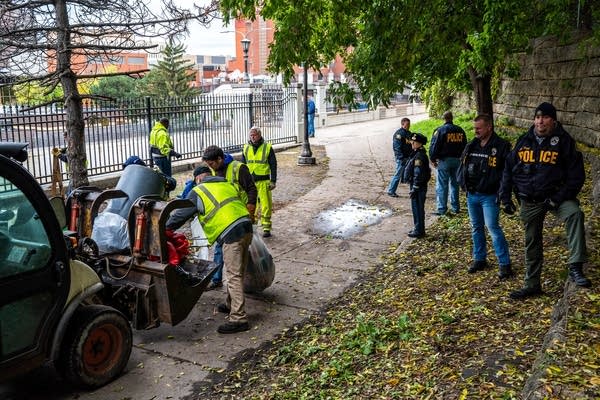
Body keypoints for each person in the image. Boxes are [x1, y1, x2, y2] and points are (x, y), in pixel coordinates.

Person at [499, 102, 592, 299]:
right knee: (531, 241)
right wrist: (505, 197)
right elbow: (508, 168)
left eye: (545, 117)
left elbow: (576, 177)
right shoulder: (524, 141)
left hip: (557, 196)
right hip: (529, 199)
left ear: (553, 120)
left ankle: (576, 267)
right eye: (537, 117)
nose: (540, 121)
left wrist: (557, 199)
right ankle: (532, 284)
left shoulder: (565, 142)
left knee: (575, 214)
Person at [166, 166, 253, 334]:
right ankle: (230, 304)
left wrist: (164, 227)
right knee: (238, 271)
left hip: (231, 233)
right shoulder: (226, 184)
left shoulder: (199, 191)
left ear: (198, 179)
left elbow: (180, 216)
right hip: (247, 227)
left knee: (233, 275)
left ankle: (239, 318)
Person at [457, 114, 512, 279]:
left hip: (490, 196)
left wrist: (503, 195)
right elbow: (462, 166)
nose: (475, 131)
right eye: (474, 128)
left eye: (479, 128)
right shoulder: (472, 145)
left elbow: (507, 173)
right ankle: (479, 259)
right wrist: (463, 185)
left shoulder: (501, 146)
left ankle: (505, 264)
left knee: (493, 228)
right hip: (472, 194)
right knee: (476, 228)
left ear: (489, 127)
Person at [203, 145, 258, 289]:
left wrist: (250, 210)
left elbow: (252, 189)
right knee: (219, 249)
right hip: (224, 217)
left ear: (220, 159)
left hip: (240, 216)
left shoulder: (238, 168)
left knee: (239, 253)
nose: (211, 167)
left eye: (212, 163)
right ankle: (217, 280)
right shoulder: (213, 170)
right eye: (208, 165)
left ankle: (239, 282)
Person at [429, 111, 467, 215]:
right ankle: (455, 208)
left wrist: (432, 159)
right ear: (452, 118)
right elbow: (465, 146)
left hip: (444, 161)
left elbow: (434, 146)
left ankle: (442, 209)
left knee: (442, 185)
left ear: (444, 118)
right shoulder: (460, 130)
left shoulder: (440, 130)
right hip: (457, 161)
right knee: (455, 184)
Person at [242, 126, 277, 237]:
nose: (252, 137)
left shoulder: (267, 147)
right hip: (250, 183)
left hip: (263, 181)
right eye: (251, 135)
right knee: (252, 205)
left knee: (266, 205)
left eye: (254, 135)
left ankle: (266, 227)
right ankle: (253, 226)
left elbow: (273, 165)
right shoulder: (246, 148)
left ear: (259, 135)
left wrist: (273, 180)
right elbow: (242, 167)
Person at [403, 133, 431, 238]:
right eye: (411, 141)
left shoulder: (419, 156)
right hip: (418, 185)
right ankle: (418, 228)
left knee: (417, 208)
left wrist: (415, 187)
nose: (411, 143)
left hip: (418, 186)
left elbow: (418, 173)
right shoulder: (417, 153)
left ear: (419, 143)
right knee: (417, 208)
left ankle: (419, 230)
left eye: (413, 142)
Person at [386, 117, 413, 198]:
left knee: (411, 175)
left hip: (408, 158)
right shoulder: (399, 134)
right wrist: (401, 158)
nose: (408, 126)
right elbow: (396, 147)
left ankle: (413, 192)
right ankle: (391, 191)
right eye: (407, 124)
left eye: (409, 124)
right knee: (398, 174)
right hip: (402, 159)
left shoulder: (409, 133)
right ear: (402, 124)